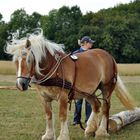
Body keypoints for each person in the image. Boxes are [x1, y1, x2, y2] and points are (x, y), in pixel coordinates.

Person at [73, 36, 95, 125]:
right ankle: (76, 120)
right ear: (85, 43)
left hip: (90, 81)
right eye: (90, 42)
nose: (92, 44)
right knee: (78, 101)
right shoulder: (76, 53)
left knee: (89, 101)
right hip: (79, 81)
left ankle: (88, 120)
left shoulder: (93, 54)